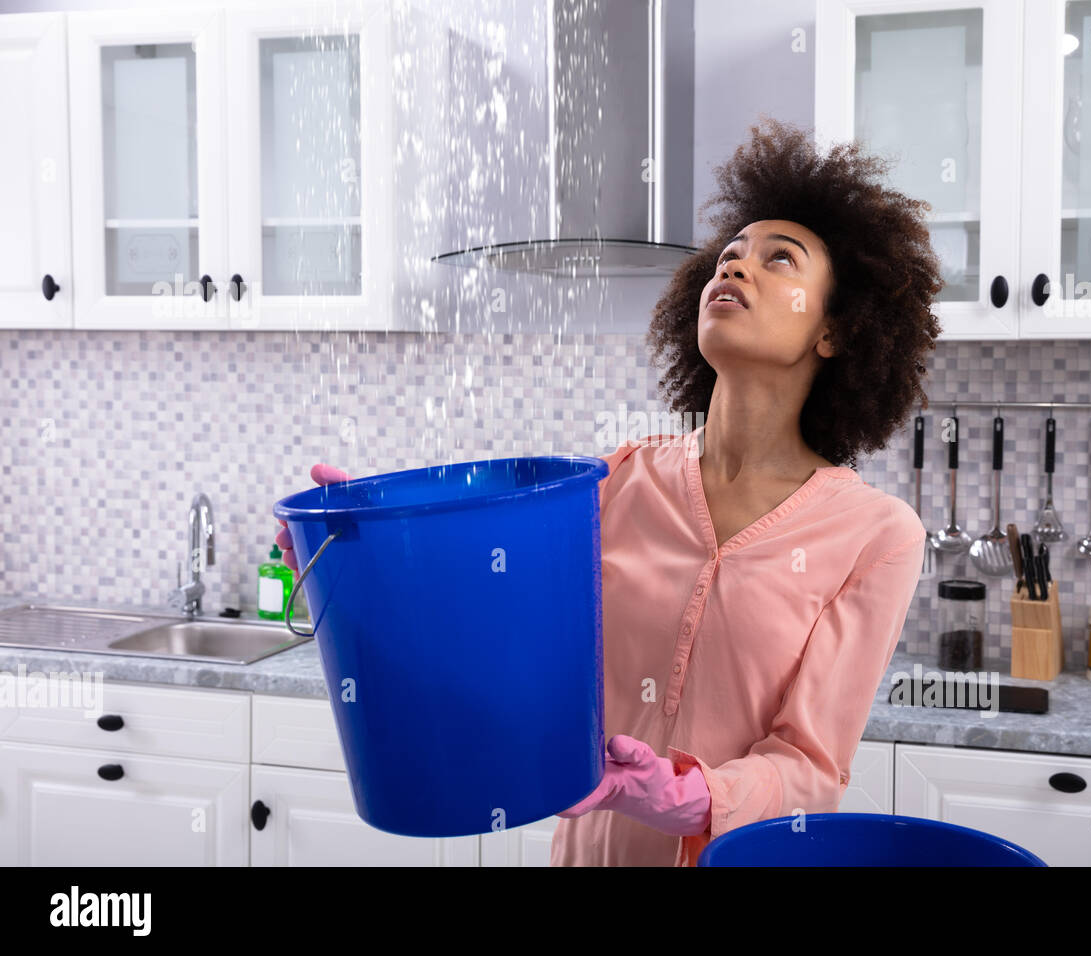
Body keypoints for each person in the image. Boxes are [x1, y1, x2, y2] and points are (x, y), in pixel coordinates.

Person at [276, 116, 944, 867]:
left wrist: (687, 796)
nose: (735, 269)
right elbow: (485, 621)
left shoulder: (876, 535)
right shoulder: (612, 483)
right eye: (726, 257)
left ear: (835, 331)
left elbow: (812, 767)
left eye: (778, 260)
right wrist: (362, 548)